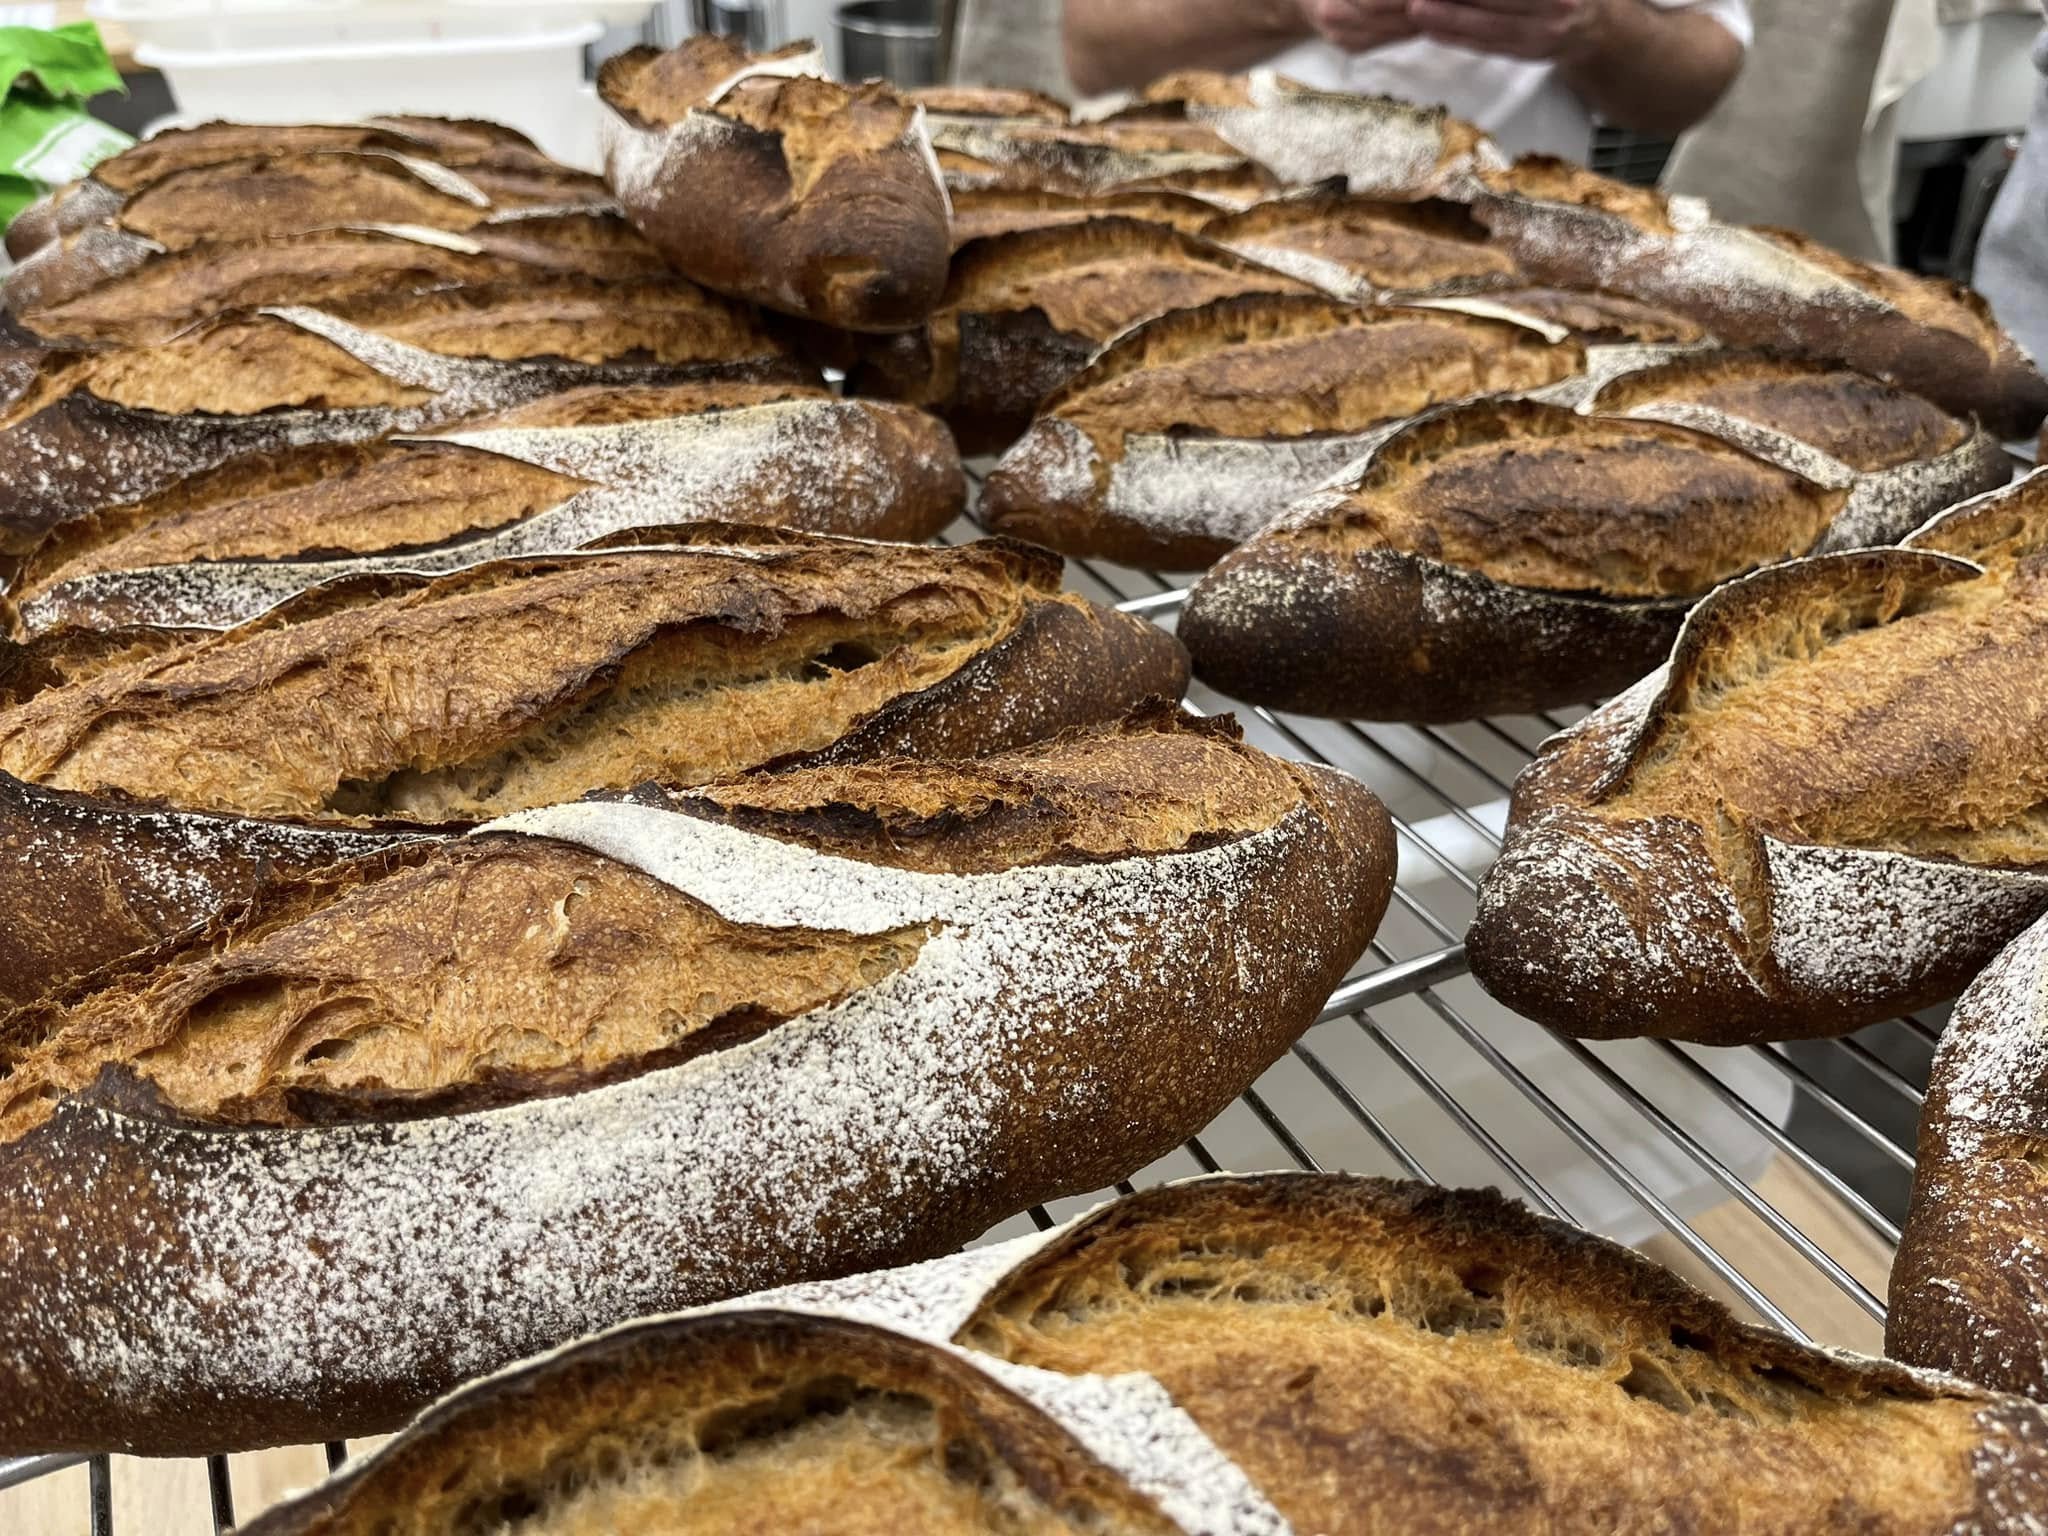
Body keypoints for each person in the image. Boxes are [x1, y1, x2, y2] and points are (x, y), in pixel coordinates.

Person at [1062, 0, 1750, 161]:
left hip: (1508, 262)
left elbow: (1689, 90)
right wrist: (1286, 7)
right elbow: (1093, 49)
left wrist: (1597, 25)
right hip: (1198, 224)